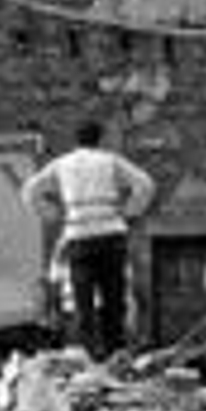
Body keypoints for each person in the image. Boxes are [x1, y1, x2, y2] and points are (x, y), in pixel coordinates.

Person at [21, 120, 155, 360]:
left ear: (76, 140)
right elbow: (145, 184)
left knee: (84, 300)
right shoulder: (111, 161)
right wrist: (130, 211)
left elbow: (30, 191)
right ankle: (115, 351)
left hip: (79, 238)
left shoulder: (62, 165)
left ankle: (89, 354)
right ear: (100, 139)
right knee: (114, 297)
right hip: (111, 236)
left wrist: (52, 214)